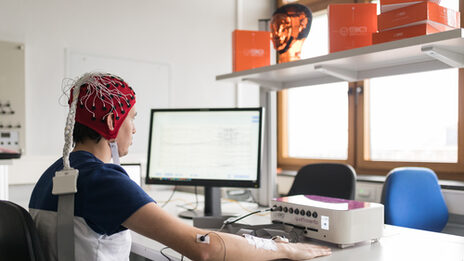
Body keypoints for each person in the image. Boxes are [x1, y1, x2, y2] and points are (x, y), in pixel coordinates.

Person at [29, 72, 331, 261]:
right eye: (132, 117)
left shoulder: (54, 173)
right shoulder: (104, 181)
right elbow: (203, 247)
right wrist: (281, 249)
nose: (134, 129)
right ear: (111, 122)